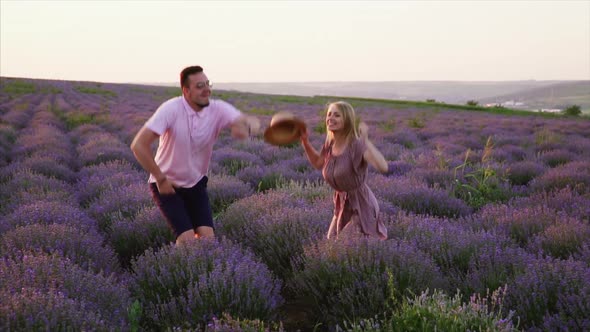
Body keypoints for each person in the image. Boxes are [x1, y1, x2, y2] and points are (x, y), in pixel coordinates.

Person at [131, 65, 261, 244]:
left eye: (208, 84)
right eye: (200, 86)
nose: (207, 90)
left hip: (196, 182)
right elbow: (138, 145)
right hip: (167, 184)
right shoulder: (171, 109)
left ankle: (196, 270)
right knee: (187, 241)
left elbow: (241, 121)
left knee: (207, 239)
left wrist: (246, 125)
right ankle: (176, 270)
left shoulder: (218, 109)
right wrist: (161, 179)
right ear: (186, 91)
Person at [300, 101, 388, 240]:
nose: (330, 118)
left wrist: (366, 141)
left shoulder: (356, 146)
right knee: (330, 243)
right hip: (341, 206)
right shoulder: (330, 144)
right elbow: (318, 163)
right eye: (329, 114)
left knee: (339, 247)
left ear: (347, 120)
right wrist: (305, 142)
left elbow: (383, 167)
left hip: (361, 206)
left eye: (337, 115)